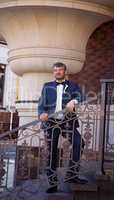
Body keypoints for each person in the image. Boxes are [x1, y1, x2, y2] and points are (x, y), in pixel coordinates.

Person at [38, 62, 87, 193]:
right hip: (51, 123)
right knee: (52, 152)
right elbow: (41, 103)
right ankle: (52, 183)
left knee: (79, 143)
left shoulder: (73, 85)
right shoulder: (47, 86)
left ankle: (72, 175)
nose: (58, 72)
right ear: (53, 72)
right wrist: (41, 113)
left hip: (67, 122)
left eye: (60, 70)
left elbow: (80, 96)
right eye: (55, 70)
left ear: (65, 71)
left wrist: (74, 101)